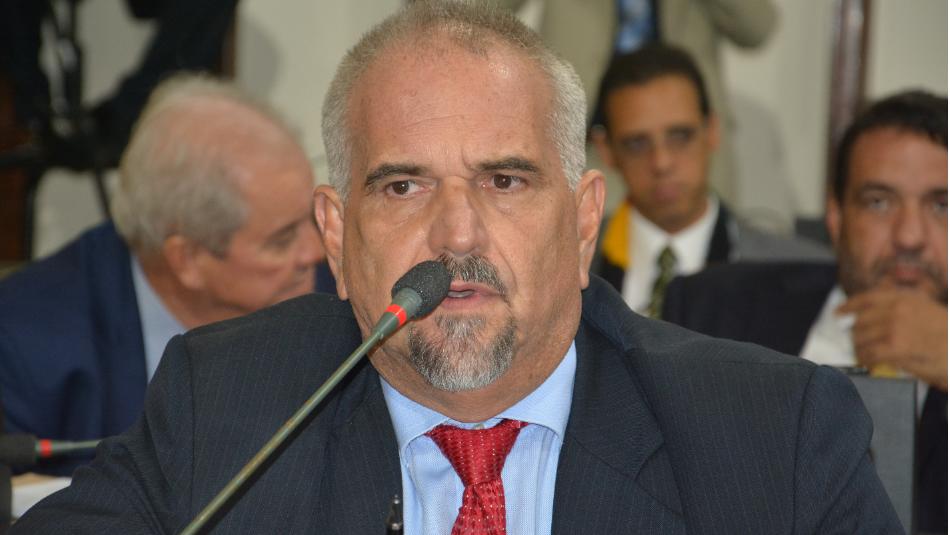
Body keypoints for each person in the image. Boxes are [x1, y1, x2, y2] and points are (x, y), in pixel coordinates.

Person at [13, 2, 900, 532]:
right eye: (402, 186)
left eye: (505, 180)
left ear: (583, 221)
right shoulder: (226, 405)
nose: (457, 234)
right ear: (336, 234)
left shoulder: (773, 437)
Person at [0, 73, 331, 476]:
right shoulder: (25, 349)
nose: (316, 252)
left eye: (312, 219)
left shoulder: (341, 298)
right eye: (282, 240)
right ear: (186, 258)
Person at [662, 90, 947, 533]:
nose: (910, 236)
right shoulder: (714, 310)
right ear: (835, 215)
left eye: (941, 205)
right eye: (879, 201)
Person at [589, 43, 828, 317]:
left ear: (712, 131)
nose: (661, 162)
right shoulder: (569, 260)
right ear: (606, 150)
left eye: (680, 136)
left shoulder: (804, 275)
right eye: (637, 144)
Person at [497, 0, 777, 208]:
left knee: (707, 256)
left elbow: (757, 28)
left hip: (687, 146)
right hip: (579, 146)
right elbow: (479, 11)